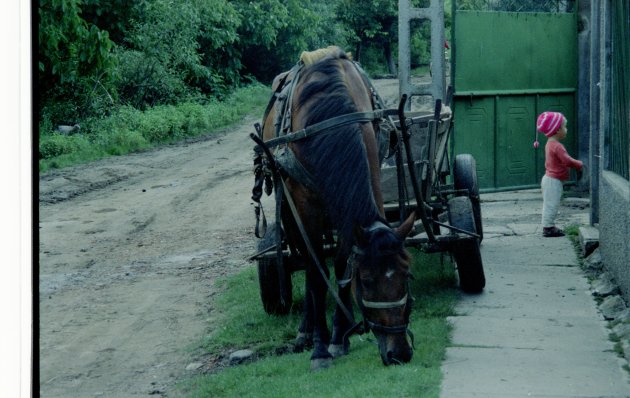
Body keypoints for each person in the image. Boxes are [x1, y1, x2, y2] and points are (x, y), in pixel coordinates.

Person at [534, 111, 583, 238]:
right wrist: (578, 164)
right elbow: (566, 160)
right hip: (553, 180)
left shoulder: (550, 144)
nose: (566, 129)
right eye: (564, 127)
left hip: (550, 179)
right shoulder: (557, 146)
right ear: (557, 130)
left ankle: (548, 226)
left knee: (550, 203)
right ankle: (548, 228)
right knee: (552, 204)